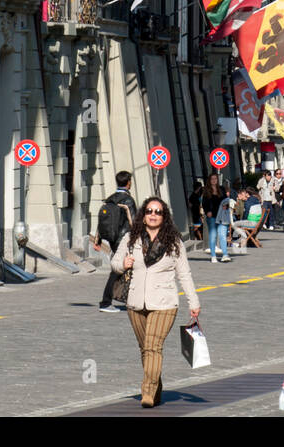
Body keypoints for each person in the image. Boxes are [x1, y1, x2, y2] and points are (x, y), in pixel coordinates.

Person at [112, 197, 200, 407]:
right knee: (145, 349)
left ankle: (148, 392)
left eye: (158, 212)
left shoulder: (174, 242)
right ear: (143, 214)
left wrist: (193, 301)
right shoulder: (131, 239)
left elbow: (184, 274)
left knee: (153, 346)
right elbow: (115, 263)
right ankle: (156, 387)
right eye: (149, 211)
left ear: (164, 216)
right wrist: (122, 264)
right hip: (135, 302)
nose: (153, 215)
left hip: (164, 303)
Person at [96, 171, 137, 313]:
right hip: (124, 239)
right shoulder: (128, 200)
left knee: (122, 268)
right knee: (117, 271)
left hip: (113, 239)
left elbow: (102, 221)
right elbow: (134, 220)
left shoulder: (110, 199)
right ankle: (106, 302)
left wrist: (98, 239)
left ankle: (129, 299)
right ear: (128, 182)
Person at [202, 174, 229, 263]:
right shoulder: (206, 191)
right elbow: (204, 203)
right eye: (212, 179)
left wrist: (226, 205)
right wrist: (207, 211)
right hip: (212, 216)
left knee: (222, 235)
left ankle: (225, 254)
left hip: (221, 215)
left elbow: (226, 200)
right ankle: (213, 256)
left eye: (215, 179)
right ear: (209, 180)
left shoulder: (221, 189)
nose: (214, 180)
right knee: (213, 236)